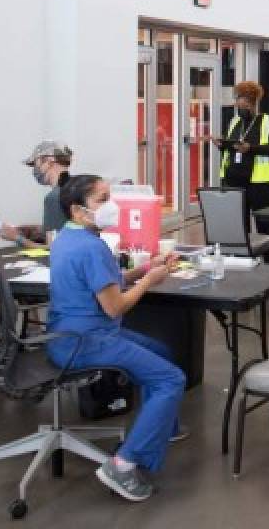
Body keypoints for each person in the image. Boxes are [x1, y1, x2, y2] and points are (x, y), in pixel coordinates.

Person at [47, 175, 185, 502]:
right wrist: (150, 280)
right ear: (79, 211)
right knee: (171, 379)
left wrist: (141, 270)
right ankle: (123, 465)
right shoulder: (91, 247)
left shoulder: (68, 237)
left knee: (159, 350)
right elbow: (115, 305)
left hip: (63, 335)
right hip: (88, 341)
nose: (112, 205)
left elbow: (105, 282)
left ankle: (162, 426)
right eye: (103, 199)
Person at [0, 140, 74, 373]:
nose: (34, 170)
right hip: (73, 268)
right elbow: (63, 233)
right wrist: (37, 229)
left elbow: (52, 250)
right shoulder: (75, 189)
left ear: (48, 161)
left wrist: (17, 237)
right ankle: (32, 331)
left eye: (35, 164)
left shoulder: (54, 198)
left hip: (56, 274)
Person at [213, 81, 269, 212]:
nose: (239, 104)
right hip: (233, 179)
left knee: (264, 223)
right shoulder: (234, 122)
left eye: (242, 100)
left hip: (259, 183)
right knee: (238, 222)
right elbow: (231, 148)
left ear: (253, 102)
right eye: (238, 99)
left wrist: (250, 148)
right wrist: (221, 145)